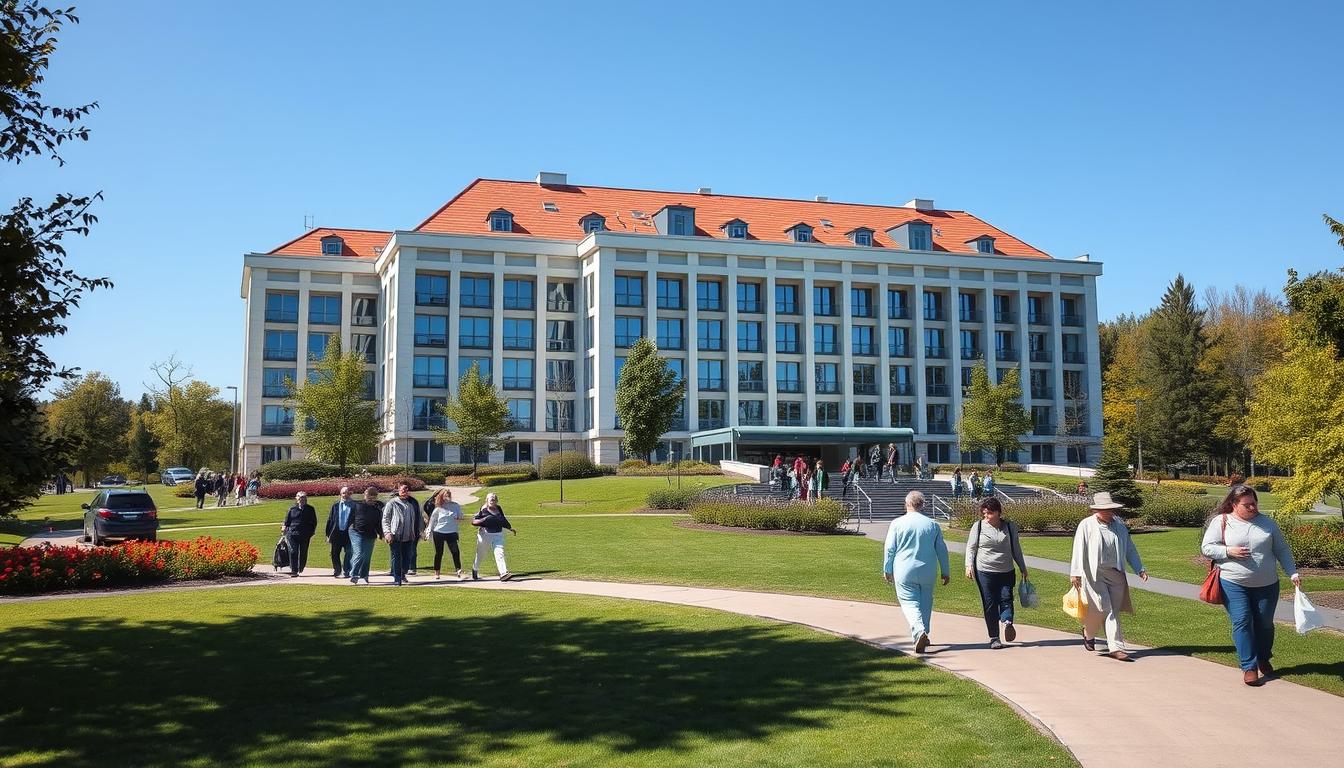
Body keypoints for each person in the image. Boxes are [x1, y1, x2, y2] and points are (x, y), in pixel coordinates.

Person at [1201, 484, 1301, 686]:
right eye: (1247, 505)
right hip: (1233, 582)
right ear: (1234, 504)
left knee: (1264, 623)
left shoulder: (1267, 523)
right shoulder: (1222, 521)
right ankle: (1249, 666)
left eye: (1254, 503)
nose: (1253, 508)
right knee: (1242, 620)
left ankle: (1263, 657)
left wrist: (1293, 572)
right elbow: (1207, 548)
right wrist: (1228, 551)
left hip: (1267, 584)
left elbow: (1281, 549)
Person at [1069, 491, 1149, 661]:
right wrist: (1075, 572)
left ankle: (1102, 640)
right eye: (1102, 509)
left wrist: (1139, 568)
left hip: (1116, 574)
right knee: (1103, 609)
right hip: (1094, 573)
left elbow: (1129, 548)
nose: (1107, 512)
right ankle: (1103, 641)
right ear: (1096, 510)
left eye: (1109, 509)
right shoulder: (1086, 525)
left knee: (1110, 610)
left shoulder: (1119, 526)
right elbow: (1078, 548)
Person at [882, 491, 950, 653]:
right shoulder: (932, 524)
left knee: (909, 602)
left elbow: (890, 548)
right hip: (928, 569)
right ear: (923, 505)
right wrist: (945, 571)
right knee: (926, 601)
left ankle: (919, 630)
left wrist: (887, 568)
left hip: (904, 569)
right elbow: (942, 549)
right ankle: (924, 631)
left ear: (907, 504)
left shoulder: (897, 523)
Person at [965, 497, 1029, 648]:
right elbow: (971, 547)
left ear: (999, 512)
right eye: (984, 513)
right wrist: (969, 566)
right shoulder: (978, 526)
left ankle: (1007, 623)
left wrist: (1022, 567)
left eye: (990, 513)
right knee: (990, 603)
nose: (986, 516)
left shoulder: (1009, 526)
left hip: (1006, 570)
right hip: (985, 571)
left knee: (1006, 598)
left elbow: (1016, 548)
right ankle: (994, 637)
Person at [382, 483, 422, 586]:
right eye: (402, 489)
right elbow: (386, 519)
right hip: (395, 535)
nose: (404, 491)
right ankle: (397, 579)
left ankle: (402, 573)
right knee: (396, 557)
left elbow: (417, 518)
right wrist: (387, 532)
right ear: (398, 490)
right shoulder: (392, 503)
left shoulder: (412, 503)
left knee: (407, 558)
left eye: (407, 489)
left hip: (409, 536)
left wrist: (417, 531)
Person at [472, 491, 517, 580]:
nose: (493, 499)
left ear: (497, 501)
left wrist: (510, 528)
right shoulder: (483, 510)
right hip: (485, 535)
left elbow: (503, 520)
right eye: (491, 498)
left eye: (494, 498)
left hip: (498, 534)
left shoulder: (499, 508)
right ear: (487, 500)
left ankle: (503, 573)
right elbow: (474, 521)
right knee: (481, 554)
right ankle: (475, 568)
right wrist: (483, 520)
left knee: (499, 552)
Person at [424, 488, 465, 579]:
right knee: (439, 553)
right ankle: (437, 572)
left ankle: (458, 569)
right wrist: (428, 532)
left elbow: (461, 515)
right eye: (445, 495)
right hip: (439, 532)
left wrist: (459, 517)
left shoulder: (455, 506)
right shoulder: (438, 508)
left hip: (452, 532)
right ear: (441, 496)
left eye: (448, 495)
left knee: (455, 551)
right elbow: (432, 522)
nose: (447, 496)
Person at [347, 487, 382, 584]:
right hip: (356, 532)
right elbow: (350, 518)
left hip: (370, 534)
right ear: (365, 495)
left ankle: (364, 575)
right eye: (368, 496)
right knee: (359, 552)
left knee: (367, 555)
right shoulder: (357, 505)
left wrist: (381, 534)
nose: (370, 499)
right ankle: (354, 574)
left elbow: (378, 523)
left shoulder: (376, 509)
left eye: (373, 497)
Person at [280, 491, 317, 577]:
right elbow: (286, 521)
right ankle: (294, 570)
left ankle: (301, 566)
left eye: (303, 497)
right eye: (300, 498)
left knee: (303, 552)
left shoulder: (310, 509)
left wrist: (311, 532)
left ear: (306, 499)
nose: (301, 499)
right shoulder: (292, 509)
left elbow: (314, 522)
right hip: (292, 534)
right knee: (293, 551)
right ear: (296, 499)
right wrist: (284, 527)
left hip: (305, 534)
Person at [324, 486, 356, 579]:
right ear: (340, 494)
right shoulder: (335, 506)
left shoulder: (354, 505)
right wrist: (328, 534)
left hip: (349, 534)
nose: (345, 495)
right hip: (336, 534)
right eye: (343, 493)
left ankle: (347, 570)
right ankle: (337, 570)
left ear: (350, 493)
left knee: (349, 552)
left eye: (347, 493)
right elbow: (330, 520)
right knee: (334, 553)